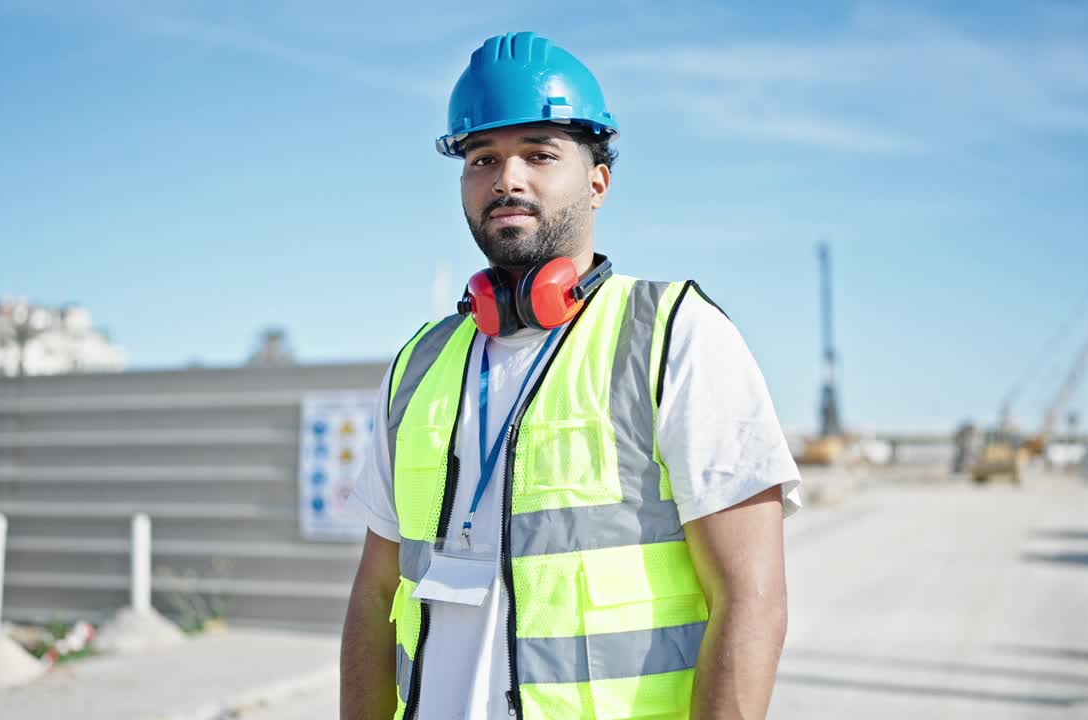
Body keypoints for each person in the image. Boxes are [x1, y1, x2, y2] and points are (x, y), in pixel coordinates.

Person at [341, 31, 803, 720]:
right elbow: (376, 596)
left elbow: (752, 599)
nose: (507, 179)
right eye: (482, 158)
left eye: (539, 154)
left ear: (597, 180)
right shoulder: (420, 365)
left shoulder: (676, 336)